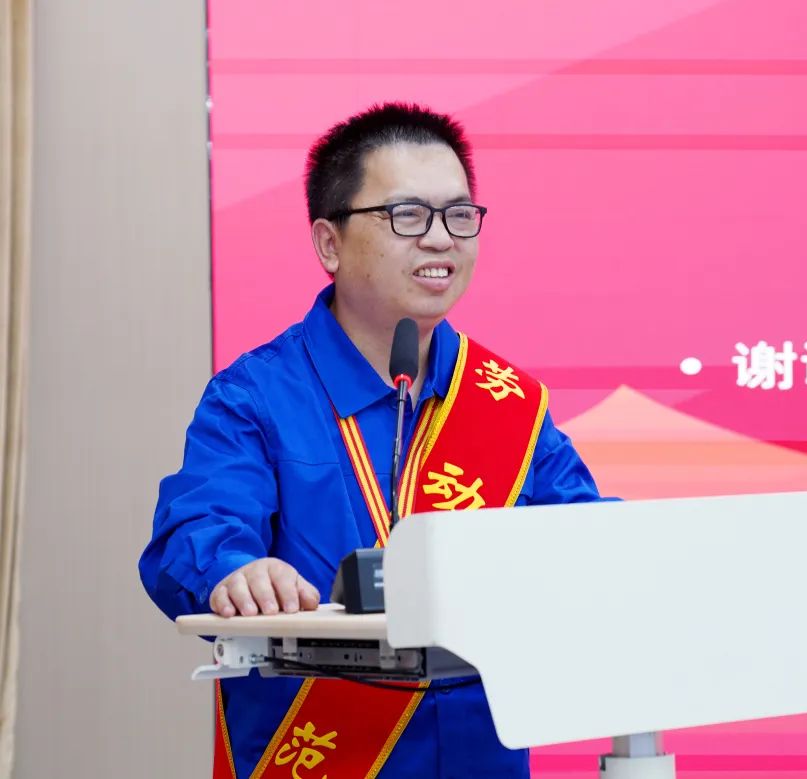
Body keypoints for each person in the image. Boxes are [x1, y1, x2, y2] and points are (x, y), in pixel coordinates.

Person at [139, 103, 605, 778]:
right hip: (323, 753)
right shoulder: (255, 396)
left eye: (459, 215)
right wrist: (234, 572)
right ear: (329, 243)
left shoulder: (510, 404)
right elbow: (197, 529)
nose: (441, 239)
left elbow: (587, 543)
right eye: (407, 215)